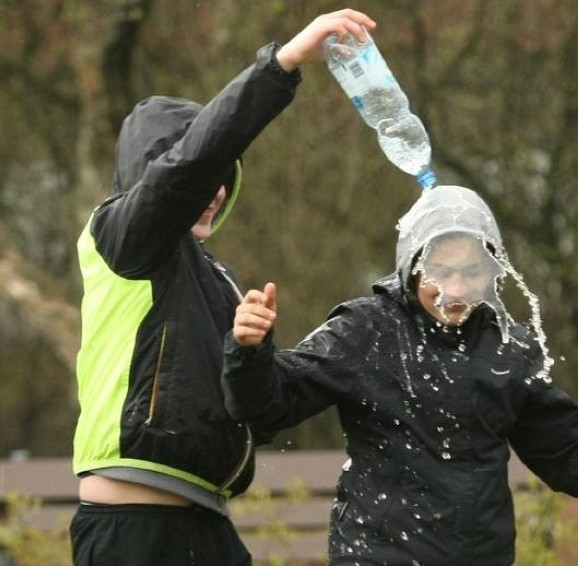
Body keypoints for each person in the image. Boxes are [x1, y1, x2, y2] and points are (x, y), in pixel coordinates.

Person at [222, 185, 578, 564]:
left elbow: (572, 462)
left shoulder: (509, 351)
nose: (457, 287)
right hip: (376, 554)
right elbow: (270, 404)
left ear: (495, 273)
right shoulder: (366, 329)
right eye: (441, 272)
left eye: (473, 272)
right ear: (412, 267)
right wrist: (249, 350)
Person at [69, 9, 377, 566]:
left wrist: (257, 348)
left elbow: (259, 409)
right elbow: (188, 167)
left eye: (224, 177)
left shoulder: (218, 279)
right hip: (132, 528)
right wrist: (283, 64)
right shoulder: (120, 236)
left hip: (206, 521)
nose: (213, 190)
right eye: (204, 177)